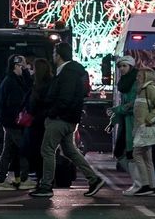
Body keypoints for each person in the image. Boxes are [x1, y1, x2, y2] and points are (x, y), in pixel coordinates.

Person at [28, 42, 106, 199]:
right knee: (70, 151)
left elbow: (65, 98)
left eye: (54, 53)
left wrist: (51, 113)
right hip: (67, 119)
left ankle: (46, 186)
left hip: (60, 119)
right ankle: (94, 179)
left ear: (59, 55)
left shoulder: (67, 73)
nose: (53, 56)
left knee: (47, 150)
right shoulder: (72, 72)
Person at [0, 54, 34, 191]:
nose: (26, 66)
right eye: (23, 64)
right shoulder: (13, 82)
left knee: (8, 152)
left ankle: (1, 181)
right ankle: (24, 179)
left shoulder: (11, 79)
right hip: (13, 122)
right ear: (16, 65)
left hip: (8, 122)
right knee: (24, 149)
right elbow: (23, 96)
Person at [126, 68, 155, 196]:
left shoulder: (149, 88)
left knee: (137, 154)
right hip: (143, 128)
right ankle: (152, 186)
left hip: (146, 128)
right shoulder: (142, 90)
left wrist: (149, 119)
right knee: (147, 158)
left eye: (139, 75)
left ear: (146, 77)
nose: (137, 78)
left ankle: (145, 185)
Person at [110, 56, 138, 186]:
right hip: (126, 122)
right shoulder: (125, 81)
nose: (121, 69)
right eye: (120, 66)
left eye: (124, 66)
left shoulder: (135, 82)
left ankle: (140, 182)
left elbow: (133, 105)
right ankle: (140, 181)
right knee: (124, 153)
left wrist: (118, 110)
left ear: (131, 67)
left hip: (134, 122)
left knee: (132, 154)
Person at [27, 58, 53, 183]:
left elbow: (32, 106)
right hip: (47, 120)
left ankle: (41, 178)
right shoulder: (52, 83)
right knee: (46, 151)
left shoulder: (37, 86)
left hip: (37, 122)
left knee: (37, 151)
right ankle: (45, 178)